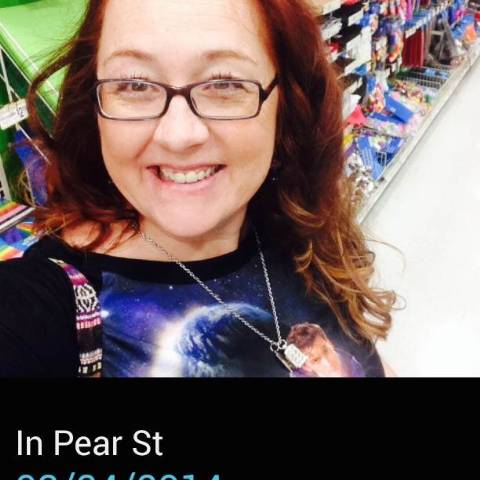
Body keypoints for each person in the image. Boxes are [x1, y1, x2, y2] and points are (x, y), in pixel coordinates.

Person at [0, 0, 397, 377]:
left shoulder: (297, 224)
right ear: (93, 104)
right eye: (135, 84)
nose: (178, 135)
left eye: (224, 83)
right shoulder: (44, 307)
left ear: (286, 104)